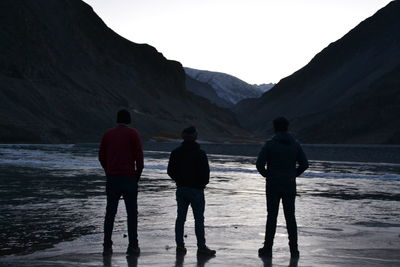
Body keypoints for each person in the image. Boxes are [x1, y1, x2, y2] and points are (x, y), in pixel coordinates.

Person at [256, 117, 309, 258]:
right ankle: (294, 250)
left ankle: (267, 248)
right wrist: (293, 175)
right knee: (290, 217)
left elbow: (259, 164)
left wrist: (267, 175)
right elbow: (304, 164)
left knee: (271, 216)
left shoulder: (270, 144)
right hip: (289, 185)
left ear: (275, 128)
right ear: (287, 127)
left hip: (273, 185)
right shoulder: (295, 144)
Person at [99, 109, 144, 256]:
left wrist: (108, 171)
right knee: (132, 213)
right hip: (129, 178)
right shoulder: (133, 134)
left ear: (117, 119)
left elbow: (101, 156)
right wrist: (136, 176)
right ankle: (133, 245)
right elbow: (139, 159)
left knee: (110, 213)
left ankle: (107, 246)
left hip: (112, 178)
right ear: (129, 119)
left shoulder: (108, 134)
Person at [167, 126, 216, 256]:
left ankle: (180, 246)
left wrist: (179, 180)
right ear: (195, 136)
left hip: (181, 189)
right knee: (199, 219)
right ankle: (201, 247)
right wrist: (201, 184)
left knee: (180, 218)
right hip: (197, 191)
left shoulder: (176, 152)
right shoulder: (200, 153)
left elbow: (170, 171)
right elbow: (206, 174)